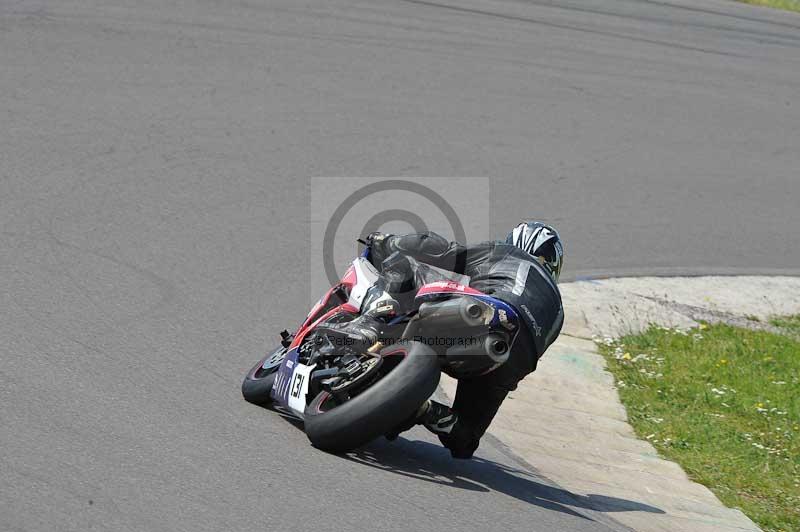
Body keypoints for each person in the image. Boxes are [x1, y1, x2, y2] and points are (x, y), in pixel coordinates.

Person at [367, 221, 564, 459]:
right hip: (508, 360)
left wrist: (388, 241)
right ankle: (428, 412)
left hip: (483, 313)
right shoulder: (559, 313)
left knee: (403, 265)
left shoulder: (507, 253)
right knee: (465, 441)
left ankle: (372, 323)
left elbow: (443, 250)